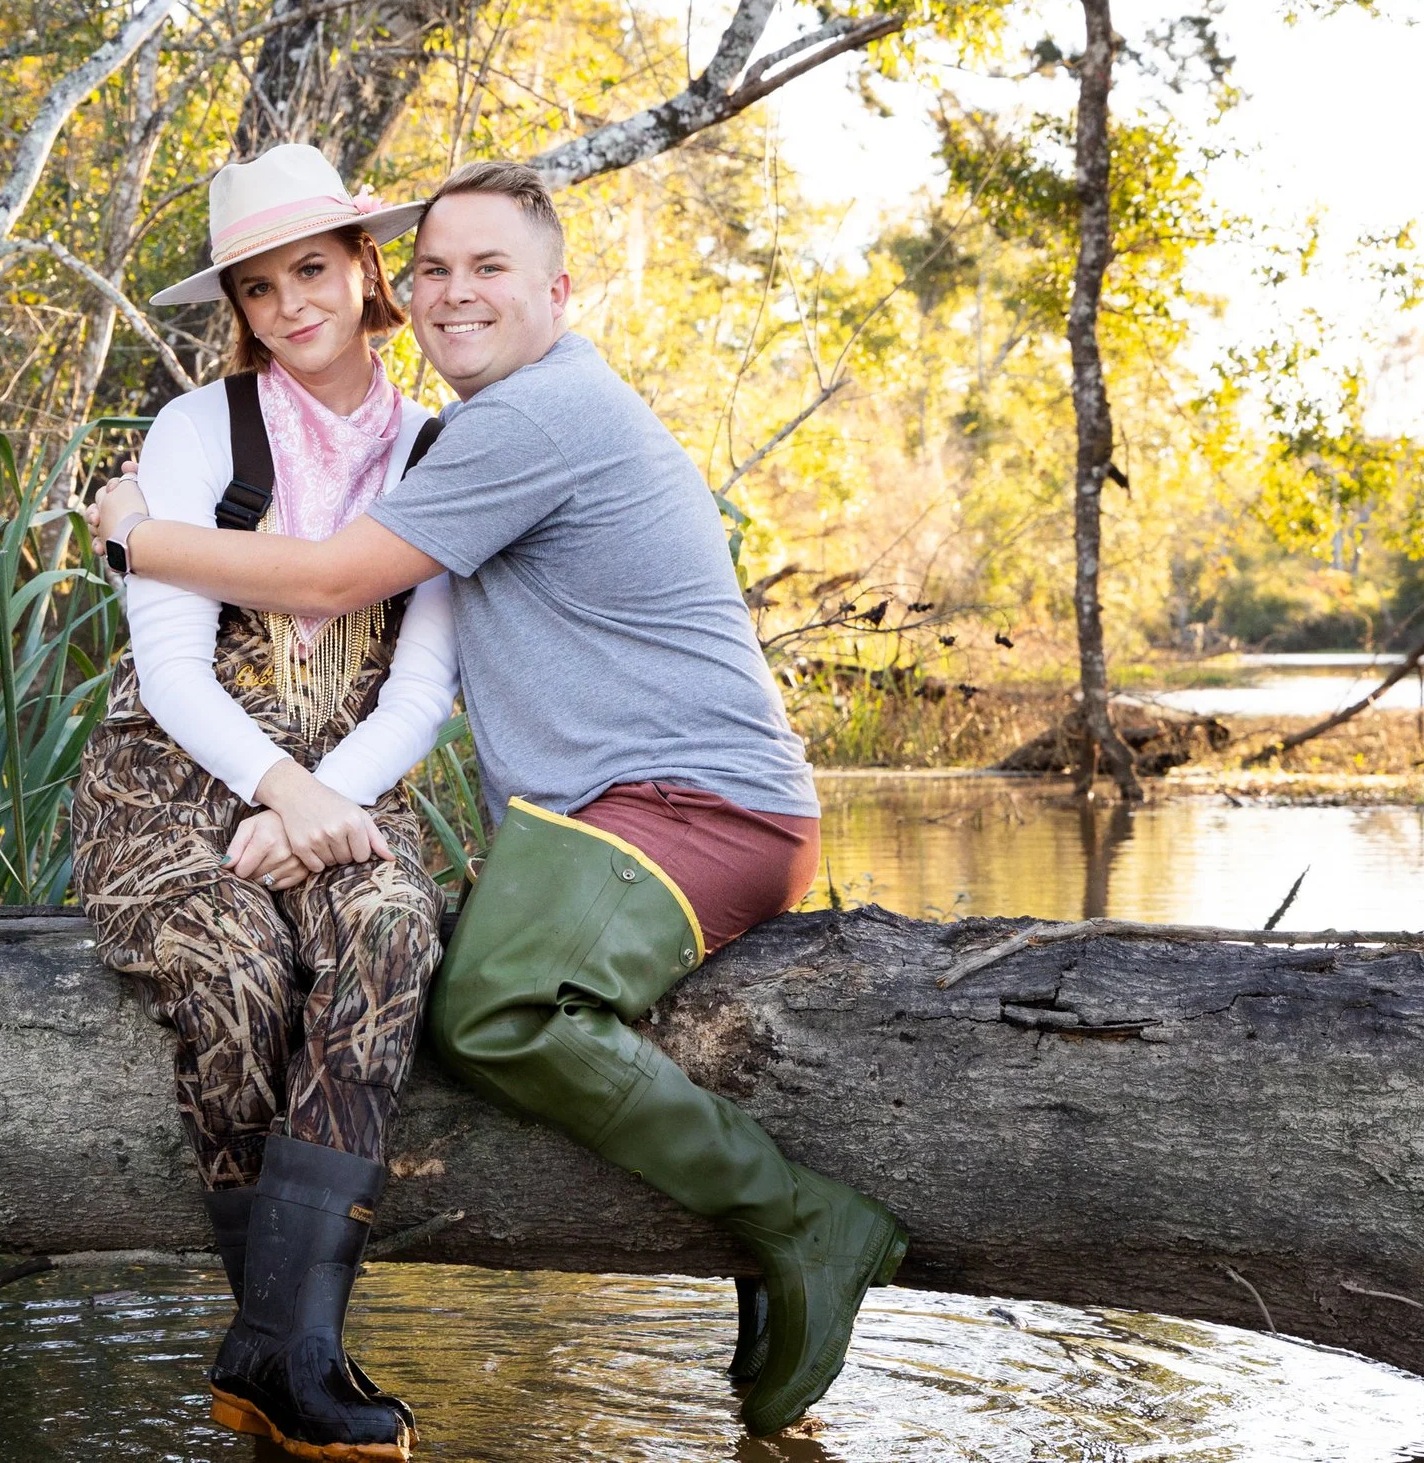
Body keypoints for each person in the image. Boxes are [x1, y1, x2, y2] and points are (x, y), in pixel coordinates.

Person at [90, 160, 907, 1439]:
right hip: (595, 811)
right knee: (282, 963)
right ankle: (277, 1348)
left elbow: (334, 590)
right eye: (435, 270)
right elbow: (199, 655)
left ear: (556, 288)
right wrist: (282, 782)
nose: (451, 292)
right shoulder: (334, 429)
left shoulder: (517, 423)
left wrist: (132, 532)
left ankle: (799, 1216)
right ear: (399, 286)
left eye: (487, 269)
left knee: (482, 1000)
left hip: (690, 807)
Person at [71, 143, 458, 1463]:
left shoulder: (437, 447)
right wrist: (274, 787)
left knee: (394, 922)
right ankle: (291, 1347)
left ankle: (278, 1353)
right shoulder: (194, 435)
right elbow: (169, 670)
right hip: (172, 794)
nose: (290, 304)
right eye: (257, 287)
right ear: (237, 309)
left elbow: (424, 690)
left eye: (312, 268)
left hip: (348, 792)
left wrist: (314, 804)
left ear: (365, 270)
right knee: (237, 957)